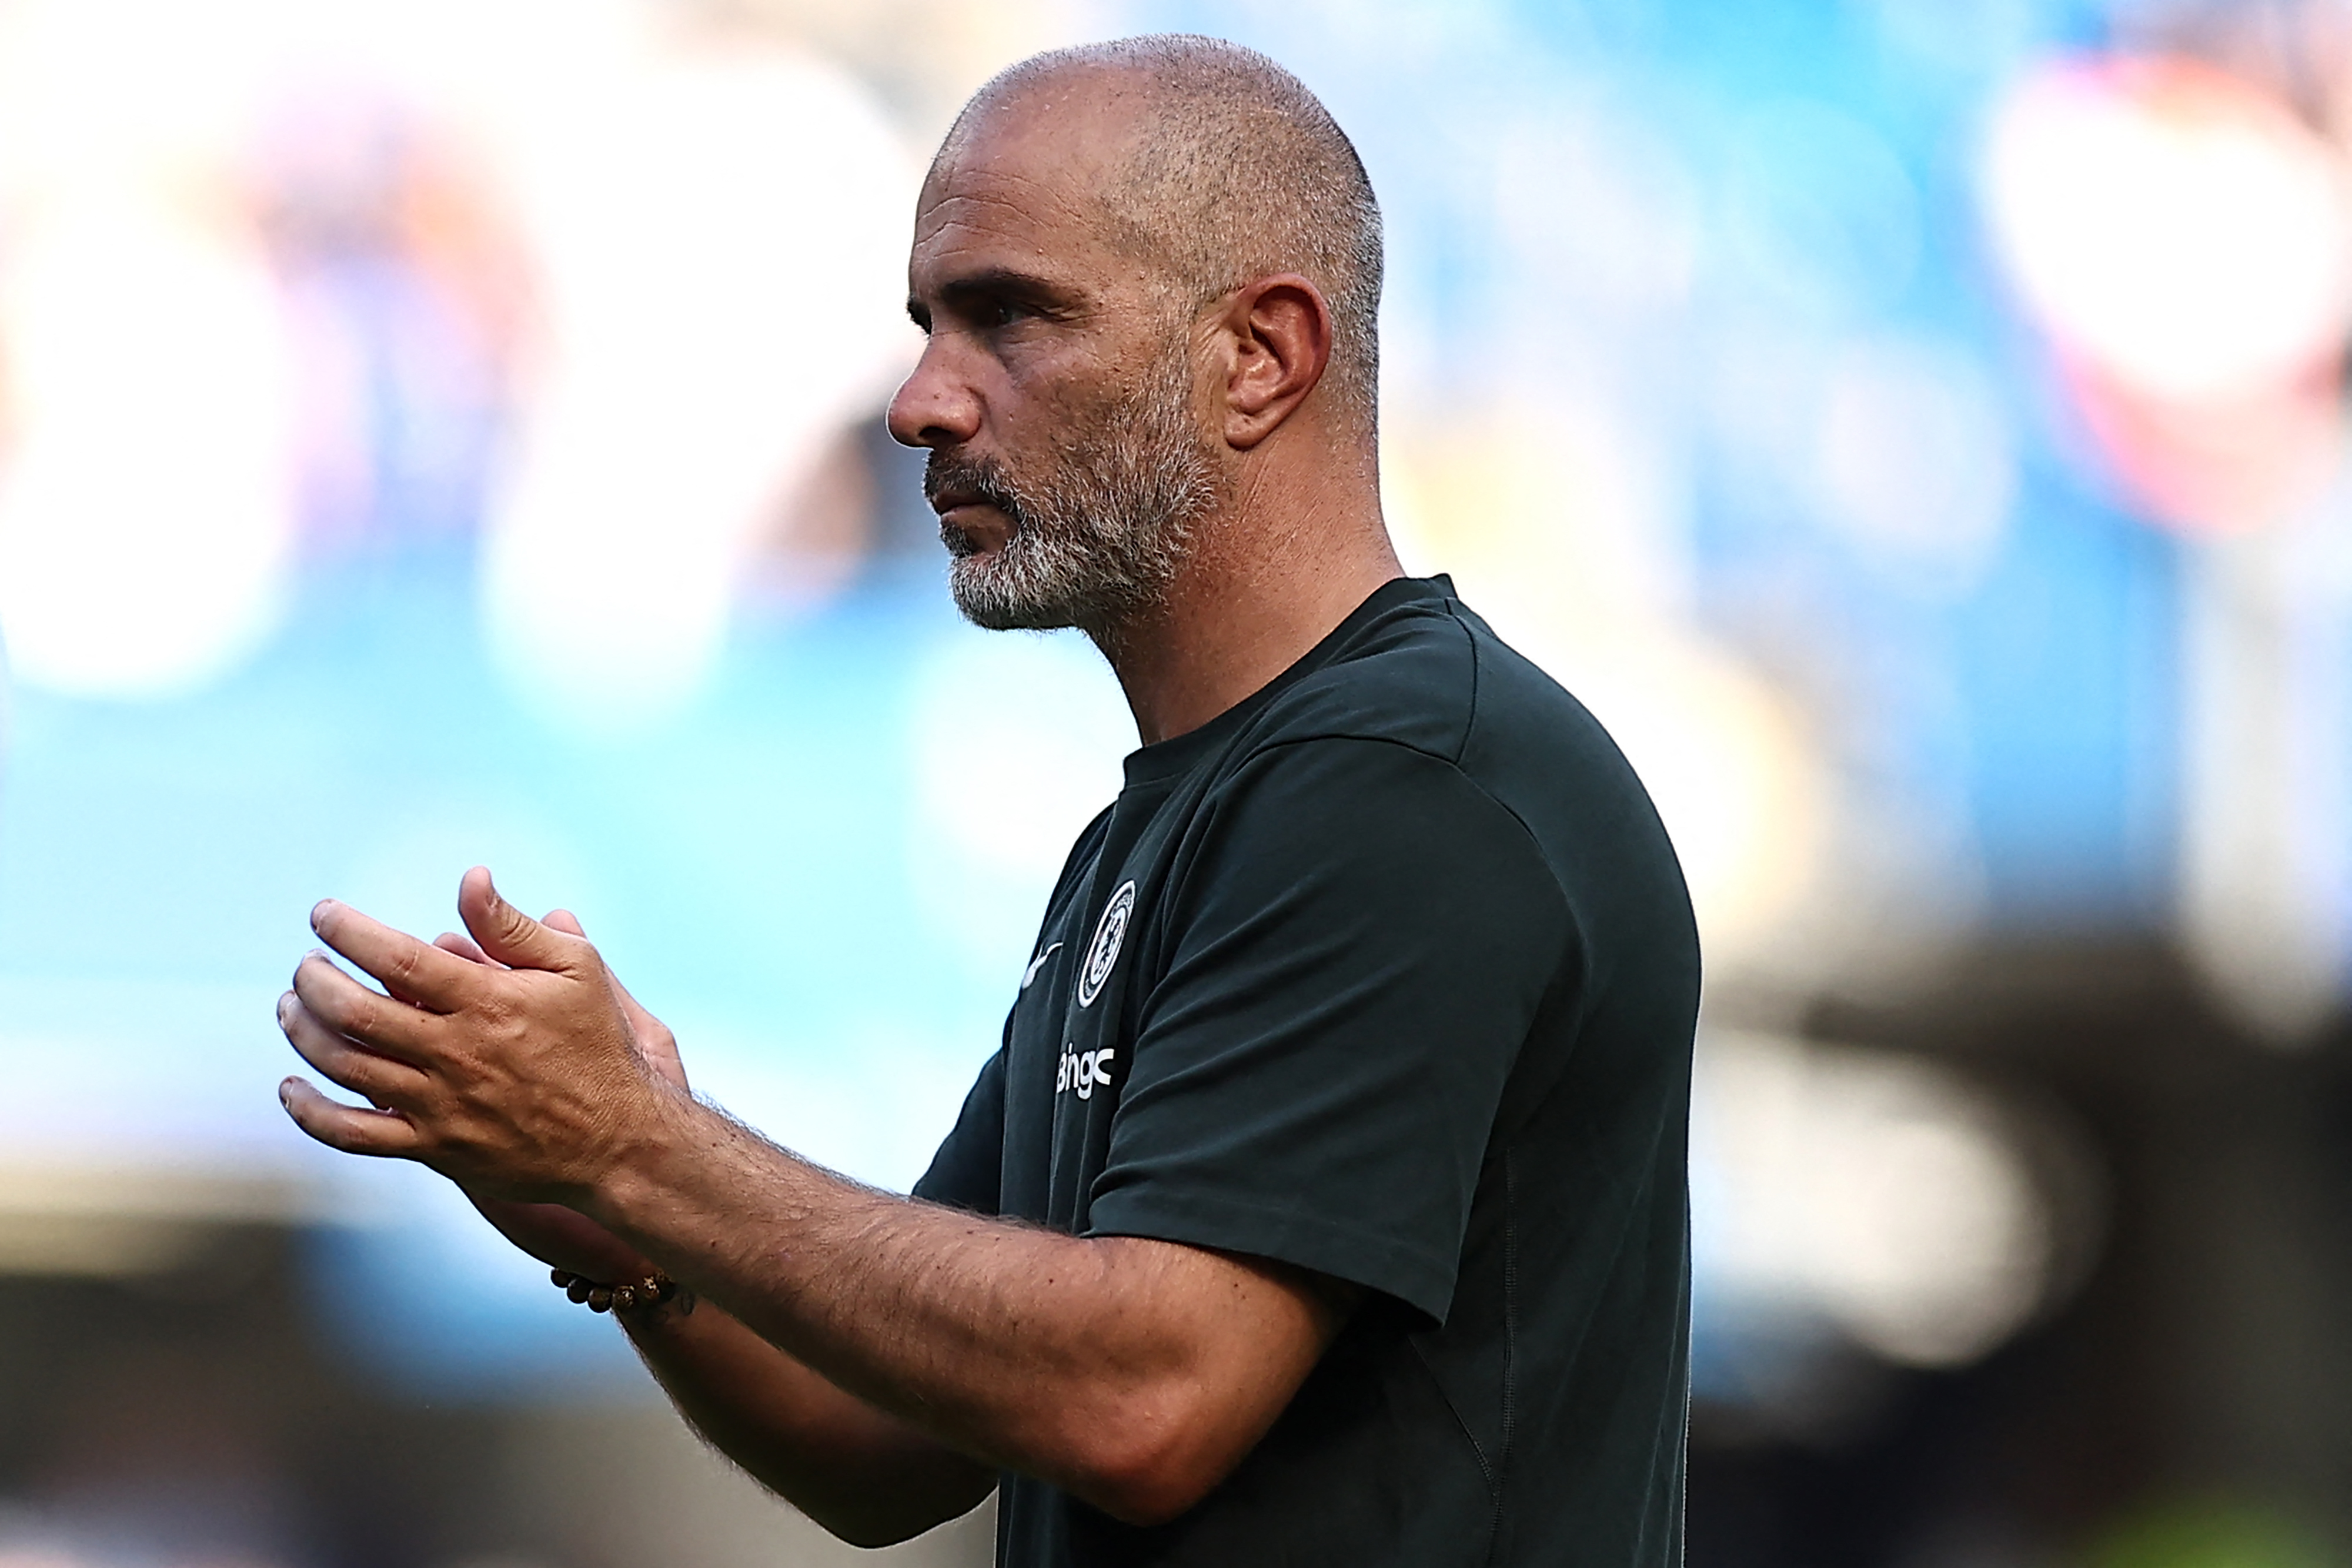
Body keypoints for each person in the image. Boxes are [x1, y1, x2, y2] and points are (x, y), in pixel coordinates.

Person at [275, 34, 1699, 1568]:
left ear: (1263, 356)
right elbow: (892, 1449)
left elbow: (1148, 1396)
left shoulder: (1406, 785)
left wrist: (644, 1148)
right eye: (925, 323)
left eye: (1010, 318)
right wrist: (626, 1235)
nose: (919, 402)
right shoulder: (1177, 820)